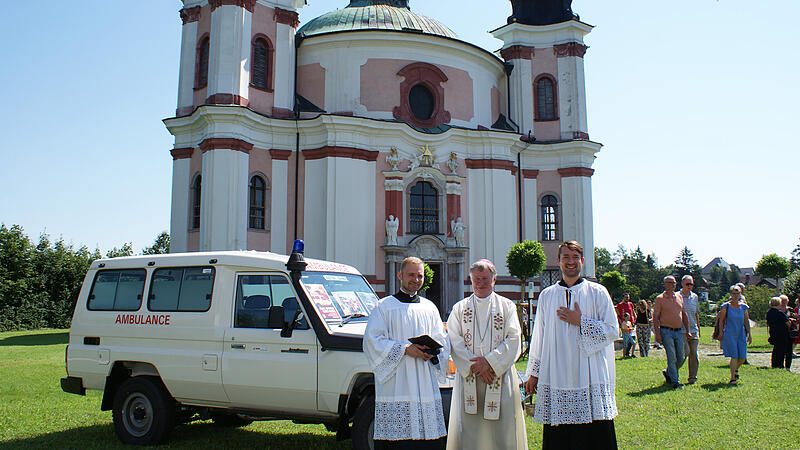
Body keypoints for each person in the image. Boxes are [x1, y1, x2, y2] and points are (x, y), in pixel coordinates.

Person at [525, 241, 619, 449]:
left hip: (589, 374)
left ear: (582, 261)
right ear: (557, 261)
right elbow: (539, 337)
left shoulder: (597, 292)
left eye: (575, 257)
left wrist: (581, 322)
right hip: (556, 374)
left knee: (594, 436)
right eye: (566, 257)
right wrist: (534, 373)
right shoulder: (547, 296)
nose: (570, 261)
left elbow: (613, 330)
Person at [363, 257, 450, 448]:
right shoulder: (384, 307)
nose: (416, 279)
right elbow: (372, 341)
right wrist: (405, 349)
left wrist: (434, 353)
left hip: (424, 382)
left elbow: (442, 341)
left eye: (419, 276)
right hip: (397, 383)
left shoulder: (429, 307)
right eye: (411, 275)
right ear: (400, 275)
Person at [446, 259, 527, 450]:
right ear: (471, 280)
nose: (480, 283)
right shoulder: (460, 308)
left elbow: (514, 338)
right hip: (470, 378)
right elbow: (454, 339)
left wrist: (490, 363)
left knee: (502, 429)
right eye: (476, 279)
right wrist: (476, 366)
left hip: (498, 375)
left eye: (485, 279)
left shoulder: (506, 306)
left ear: (494, 279)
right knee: (470, 430)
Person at [653, 275, 690, 389]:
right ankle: (675, 381)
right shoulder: (660, 299)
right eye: (670, 283)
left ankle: (669, 372)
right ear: (665, 284)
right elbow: (655, 317)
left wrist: (688, 330)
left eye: (674, 283)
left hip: (678, 331)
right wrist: (657, 334)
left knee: (681, 356)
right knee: (671, 356)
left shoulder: (679, 297)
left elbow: (683, 314)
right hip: (666, 331)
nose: (673, 285)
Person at [718, 285, 752, 385]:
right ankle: (733, 377)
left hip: (741, 333)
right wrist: (721, 332)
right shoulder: (726, 306)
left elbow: (746, 321)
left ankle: (735, 370)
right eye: (734, 293)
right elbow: (721, 321)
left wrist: (749, 334)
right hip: (730, 333)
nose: (736, 295)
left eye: (738, 293)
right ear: (730, 294)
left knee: (742, 357)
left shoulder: (744, 307)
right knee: (734, 356)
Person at [679, 275, 701, 384]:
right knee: (684, 353)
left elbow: (696, 314)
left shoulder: (695, 297)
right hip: (681, 330)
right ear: (682, 284)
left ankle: (692, 377)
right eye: (687, 284)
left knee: (694, 354)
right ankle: (671, 372)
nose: (689, 286)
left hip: (693, 329)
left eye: (691, 284)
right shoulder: (677, 296)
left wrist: (698, 328)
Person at [766, 297, 792, 370]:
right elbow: (788, 323)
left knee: (775, 349)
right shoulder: (780, 313)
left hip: (773, 332)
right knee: (781, 350)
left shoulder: (769, 312)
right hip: (782, 333)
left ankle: (774, 364)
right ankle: (780, 364)